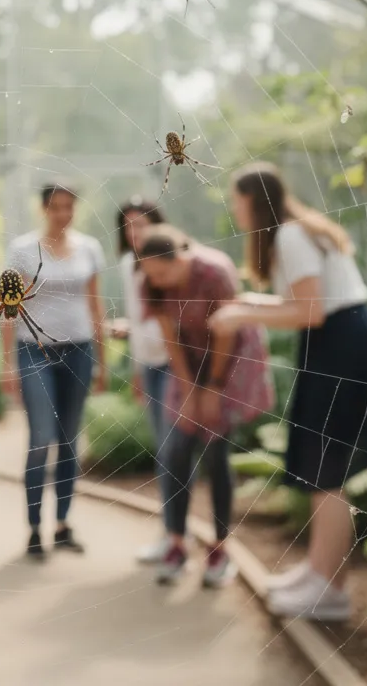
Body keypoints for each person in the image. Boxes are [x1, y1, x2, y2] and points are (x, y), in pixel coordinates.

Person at [209, 161, 367, 622]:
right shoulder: (297, 231)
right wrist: (255, 301)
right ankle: (320, 575)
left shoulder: (291, 236)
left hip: (339, 345)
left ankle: (328, 590)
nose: (234, 208)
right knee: (321, 469)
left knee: (326, 471)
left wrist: (242, 316)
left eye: (236, 199)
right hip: (336, 342)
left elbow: (310, 312)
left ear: (253, 199)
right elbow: (308, 305)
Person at [2, 183, 107, 560]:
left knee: (69, 441)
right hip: (34, 353)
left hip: (79, 351)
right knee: (41, 438)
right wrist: (7, 364)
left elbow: (96, 306)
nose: (63, 214)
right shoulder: (22, 250)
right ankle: (34, 529)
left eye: (69, 207)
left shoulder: (90, 248)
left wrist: (103, 360)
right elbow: (9, 307)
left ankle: (62, 525)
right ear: (44, 208)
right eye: (56, 207)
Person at [137, 225, 239, 588]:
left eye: (163, 273)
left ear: (180, 259)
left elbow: (228, 332)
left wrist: (211, 387)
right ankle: (177, 542)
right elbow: (171, 338)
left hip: (227, 363)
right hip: (186, 366)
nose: (158, 281)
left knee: (215, 452)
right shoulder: (150, 281)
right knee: (176, 450)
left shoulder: (215, 271)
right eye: (151, 275)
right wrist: (189, 389)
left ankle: (220, 548)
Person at [107, 196, 174, 563]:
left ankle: (176, 533)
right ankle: (172, 532)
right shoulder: (127, 264)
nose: (134, 232)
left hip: (175, 364)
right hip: (149, 366)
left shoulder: (171, 260)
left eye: (142, 224)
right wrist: (136, 369)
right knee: (165, 451)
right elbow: (141, 317)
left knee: (174, 451)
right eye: (128, 226)